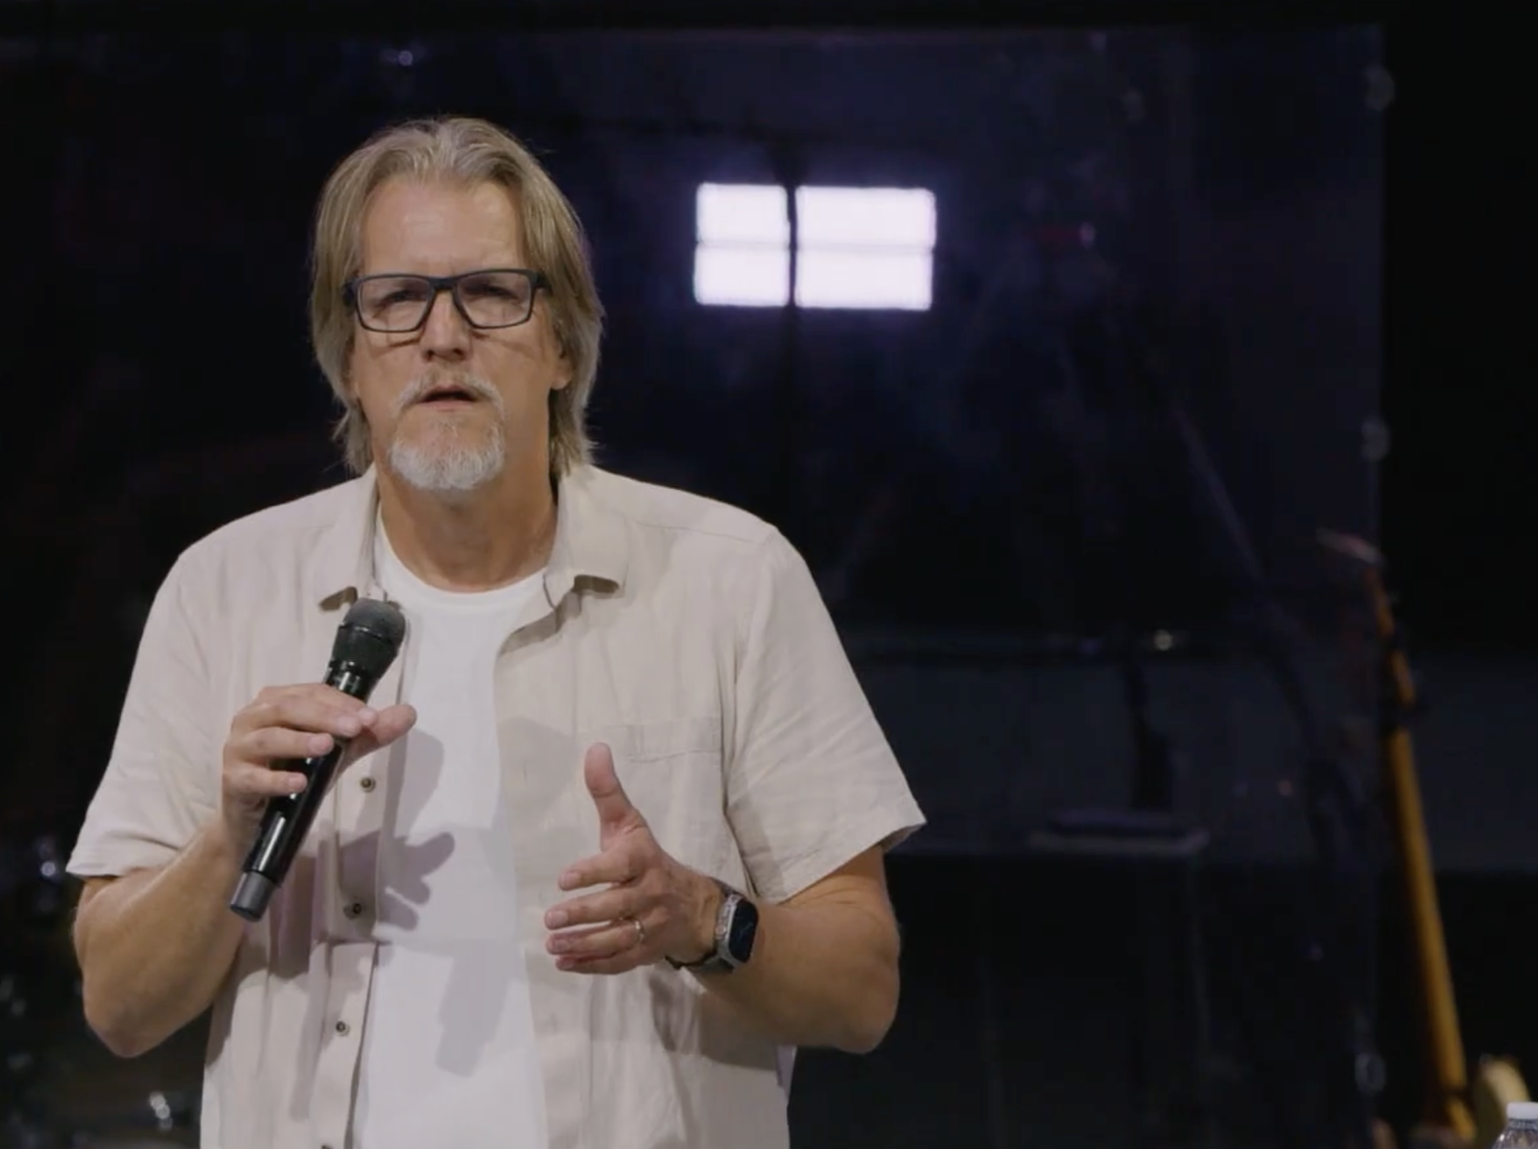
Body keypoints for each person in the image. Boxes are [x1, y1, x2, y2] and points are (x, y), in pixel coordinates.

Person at [65, 115, 925, 1149]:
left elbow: (862, 988)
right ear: (346, 359)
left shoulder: (728, 578)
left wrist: (702, 920)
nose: (442, 335)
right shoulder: (224, 588)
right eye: (395, 299)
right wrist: (227, 845)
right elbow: (119, 1004)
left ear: (563, 343)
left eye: (490, 292)